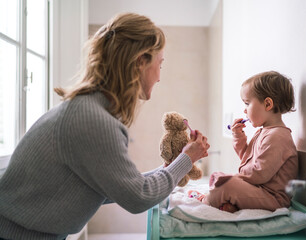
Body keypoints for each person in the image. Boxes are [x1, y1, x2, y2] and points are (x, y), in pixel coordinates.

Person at [0, 13, 210, 239]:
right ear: (140, 62)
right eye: (159, 64)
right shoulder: (92, 120)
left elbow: (118, 186)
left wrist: (171, 166)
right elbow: (139, 196)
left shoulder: (86, 110)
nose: (159, 76)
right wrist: (186, 159)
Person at [189, 71, 298, 213]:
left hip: (273, 198)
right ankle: (230, 204)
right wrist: (238, 136)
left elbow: (259, 174)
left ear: (267, 104)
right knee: (223, 180)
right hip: (259, 190)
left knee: (228, 186)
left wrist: (232, 179)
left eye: (247, 103)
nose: (244, 110)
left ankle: (206, 199)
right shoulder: (264, 132)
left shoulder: (278, 136)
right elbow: (246, 158)